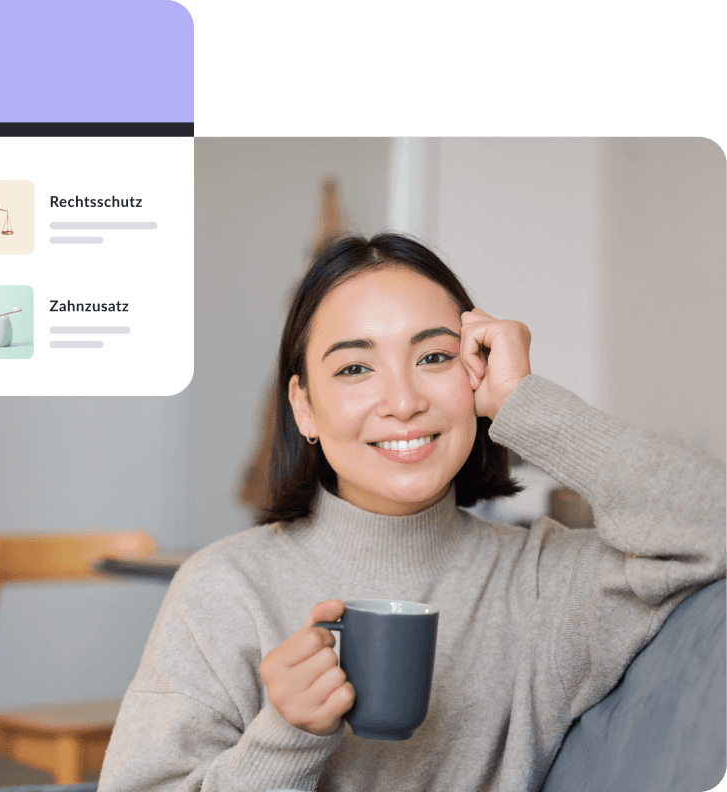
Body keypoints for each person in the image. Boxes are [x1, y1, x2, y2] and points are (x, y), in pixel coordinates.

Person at [98, 233, 725, 792]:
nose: (402, 401)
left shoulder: (545, 584)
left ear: (476, 375)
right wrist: (285, 734)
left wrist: (525, 404)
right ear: (304, 407)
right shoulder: (223, 591)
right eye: (354, 367)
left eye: (433, 357)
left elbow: (713, 519)